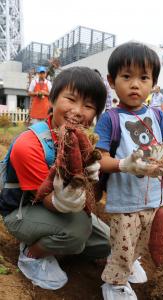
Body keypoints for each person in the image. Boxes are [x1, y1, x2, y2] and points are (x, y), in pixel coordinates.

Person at [0, 67, 110, 290]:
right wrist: (65, 200)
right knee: (78, 230)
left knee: (107, 241)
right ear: (52, 99)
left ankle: (63, 246)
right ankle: (31, 254)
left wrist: (89, 179)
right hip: (21, 210)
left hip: (55, 209)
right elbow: (46, 199)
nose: (78, 111)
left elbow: (92, 191)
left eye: (88, 106)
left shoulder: (82, 142)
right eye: (71, 99)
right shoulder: (29, 144)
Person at [94, 42, 163, 300]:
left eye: (143, 78)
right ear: (112, 81)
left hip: (154, 197)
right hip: (125, 200)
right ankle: (114, 283)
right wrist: (124, 165)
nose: (135, 85)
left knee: (141, 241)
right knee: (123, 242)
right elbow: (100, 159)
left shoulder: (156, 115)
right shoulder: (110, 118)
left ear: (153, 83)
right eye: (126, 77)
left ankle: (129, 263)